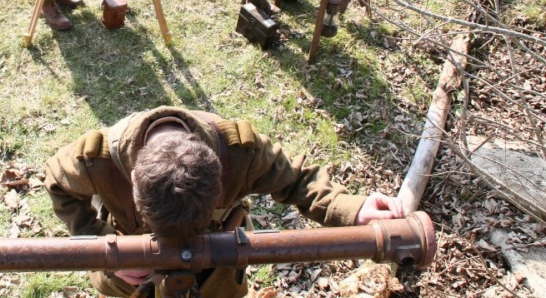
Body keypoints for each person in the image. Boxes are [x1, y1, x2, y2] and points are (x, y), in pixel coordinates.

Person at [44, 106, 405, 297]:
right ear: (134, 179)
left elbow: (297, 179)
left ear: (221, 175)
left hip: (217, 264)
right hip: (135, 267)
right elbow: (57, 183)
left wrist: (352, 209)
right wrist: (108, 249)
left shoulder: (240, 152)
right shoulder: (97, 159)